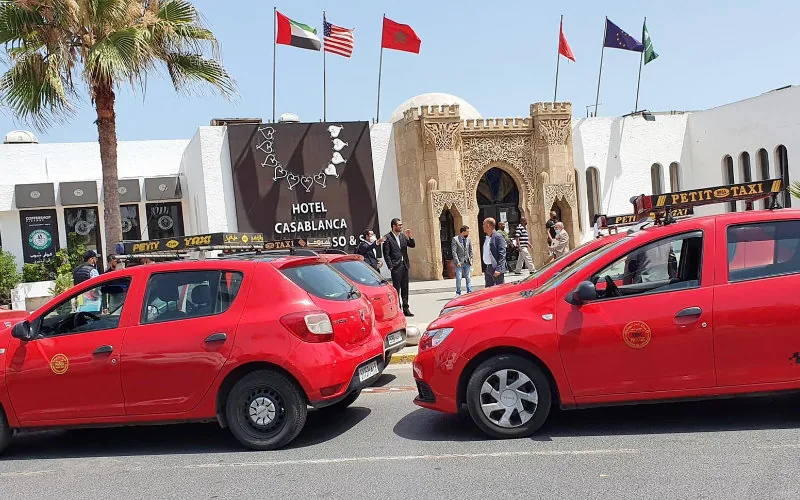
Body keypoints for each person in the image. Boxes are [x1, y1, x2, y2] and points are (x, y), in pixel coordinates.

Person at [382, 218, 416, 317]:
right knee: (397, 289)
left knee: (405, 288)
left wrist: (410, 237)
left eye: (401, 225)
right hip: (395, 266)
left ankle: (406, 308)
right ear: (394, 226)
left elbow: (412, 245)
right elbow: (386, 254)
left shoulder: (403, 236)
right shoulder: (387, 237)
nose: (401, 227)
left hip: (404, 265)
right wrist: (390, 266)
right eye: (399, 225)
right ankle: (398, 308)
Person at [482, 217, 507, 287]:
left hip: (496, 269)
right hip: (488, 268)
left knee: (500, 289)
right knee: (488, 290)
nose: (482, 226)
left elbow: (502, 254)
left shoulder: (498, 237)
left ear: (488, 225)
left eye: (483, 224)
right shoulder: (487, 237)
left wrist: (499, 269)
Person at [451, 225, 473, 295]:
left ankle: (469, 291)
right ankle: (458, 292)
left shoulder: (468, 239)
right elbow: (454, 252)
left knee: (468, 277)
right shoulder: (455, 239)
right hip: (459, 263)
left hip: (467, 261)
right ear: (463, 232)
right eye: (467, 232)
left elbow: (471, 251)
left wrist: (471, 260)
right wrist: (457, 262)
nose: (468, 233)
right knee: (459, 278)